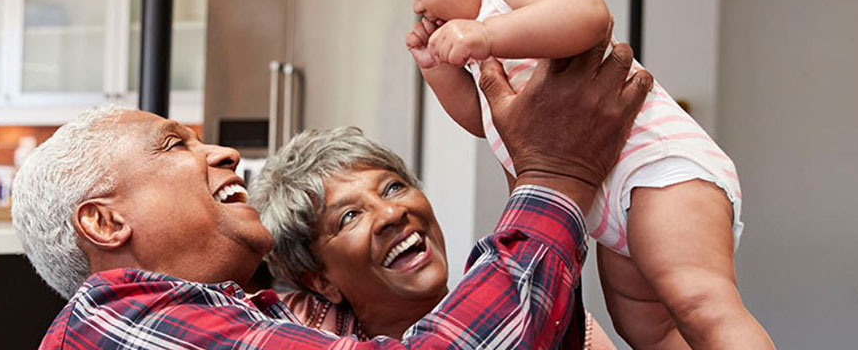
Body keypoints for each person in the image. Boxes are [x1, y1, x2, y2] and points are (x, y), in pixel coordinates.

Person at [10, 39, 651, 349]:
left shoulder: (265, 314)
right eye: (175, 145)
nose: (225, 153)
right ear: (104, 221)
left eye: (394, 185)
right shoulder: (119, 322)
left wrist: (530, 161)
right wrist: (554, 176)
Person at [383, 0, 774, 348]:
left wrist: (485, 36)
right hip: (605, 203)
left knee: (700, 302)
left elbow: (587, 14)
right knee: (643, 328)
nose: (417, 4)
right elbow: (484, 121)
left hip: (656, 169)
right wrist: (437, 69)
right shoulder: (481, 31)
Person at [249, 126, 617, 349]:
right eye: (349, 216)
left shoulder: (536, 316)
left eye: (393, 187)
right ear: (322, 280)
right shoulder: (294, 330)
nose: (391, 214)